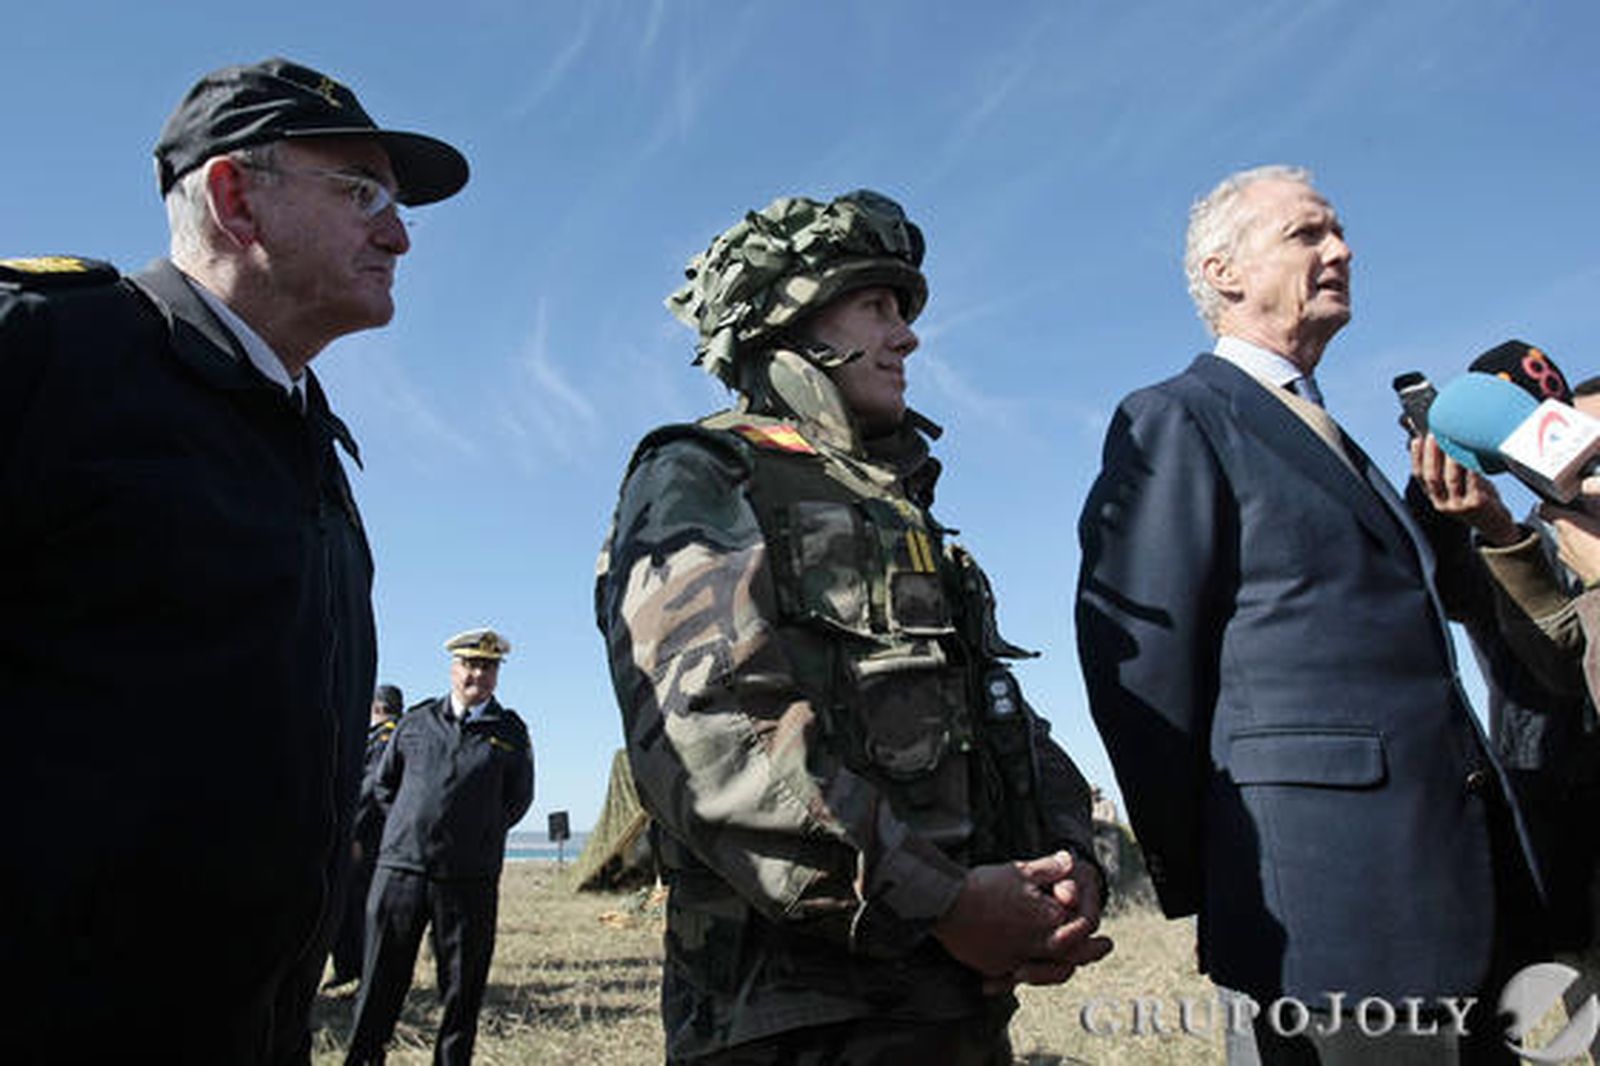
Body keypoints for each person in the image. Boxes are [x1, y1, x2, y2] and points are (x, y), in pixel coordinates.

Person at [0, 57, 466, 1064]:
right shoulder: (47, 354)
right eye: (360, 192)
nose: (397, 232)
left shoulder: (303, 436)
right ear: (234, 198)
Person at [596, 189, 1111, 1065]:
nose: (906, 335)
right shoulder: (705, 471)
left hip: (950, 1007)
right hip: (797, 1022)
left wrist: (1068, 866)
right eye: (876, 304)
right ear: (789, 321)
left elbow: (994, 715)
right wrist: (942, 904)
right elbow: (712, 735)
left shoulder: (899, 507)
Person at [1076, 165, 1544, 1064]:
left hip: (1463, 898)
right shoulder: (1179, 417)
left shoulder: (1329, 432)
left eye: (1338, 232)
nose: (1342, 248)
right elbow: (1140, 671)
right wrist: (1229, 872)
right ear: (1225, 272)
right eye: (1308, 234)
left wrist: (1460, 528)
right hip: (1329, 919)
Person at [346, 628, 534, 1066]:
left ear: (496, 675)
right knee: (378, 985)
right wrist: (413, 830)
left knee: (460, 993)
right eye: (469, 664)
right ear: (453, 668)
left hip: (468, 880)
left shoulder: (509, 732)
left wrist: (474, 834)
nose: (477, 675)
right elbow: (384, 785)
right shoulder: (416, 722)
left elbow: (516, 800)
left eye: (487, 667)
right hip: (401, 874)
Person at [328, 684, 408, 989]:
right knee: (347, 906)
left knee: (361, 907)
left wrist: (353, 831)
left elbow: (371, 788)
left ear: (375, 708)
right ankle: (348, 968)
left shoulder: (386, 738)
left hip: (369, 836)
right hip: (371, 834)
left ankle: (364, 975)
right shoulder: (386, 736)